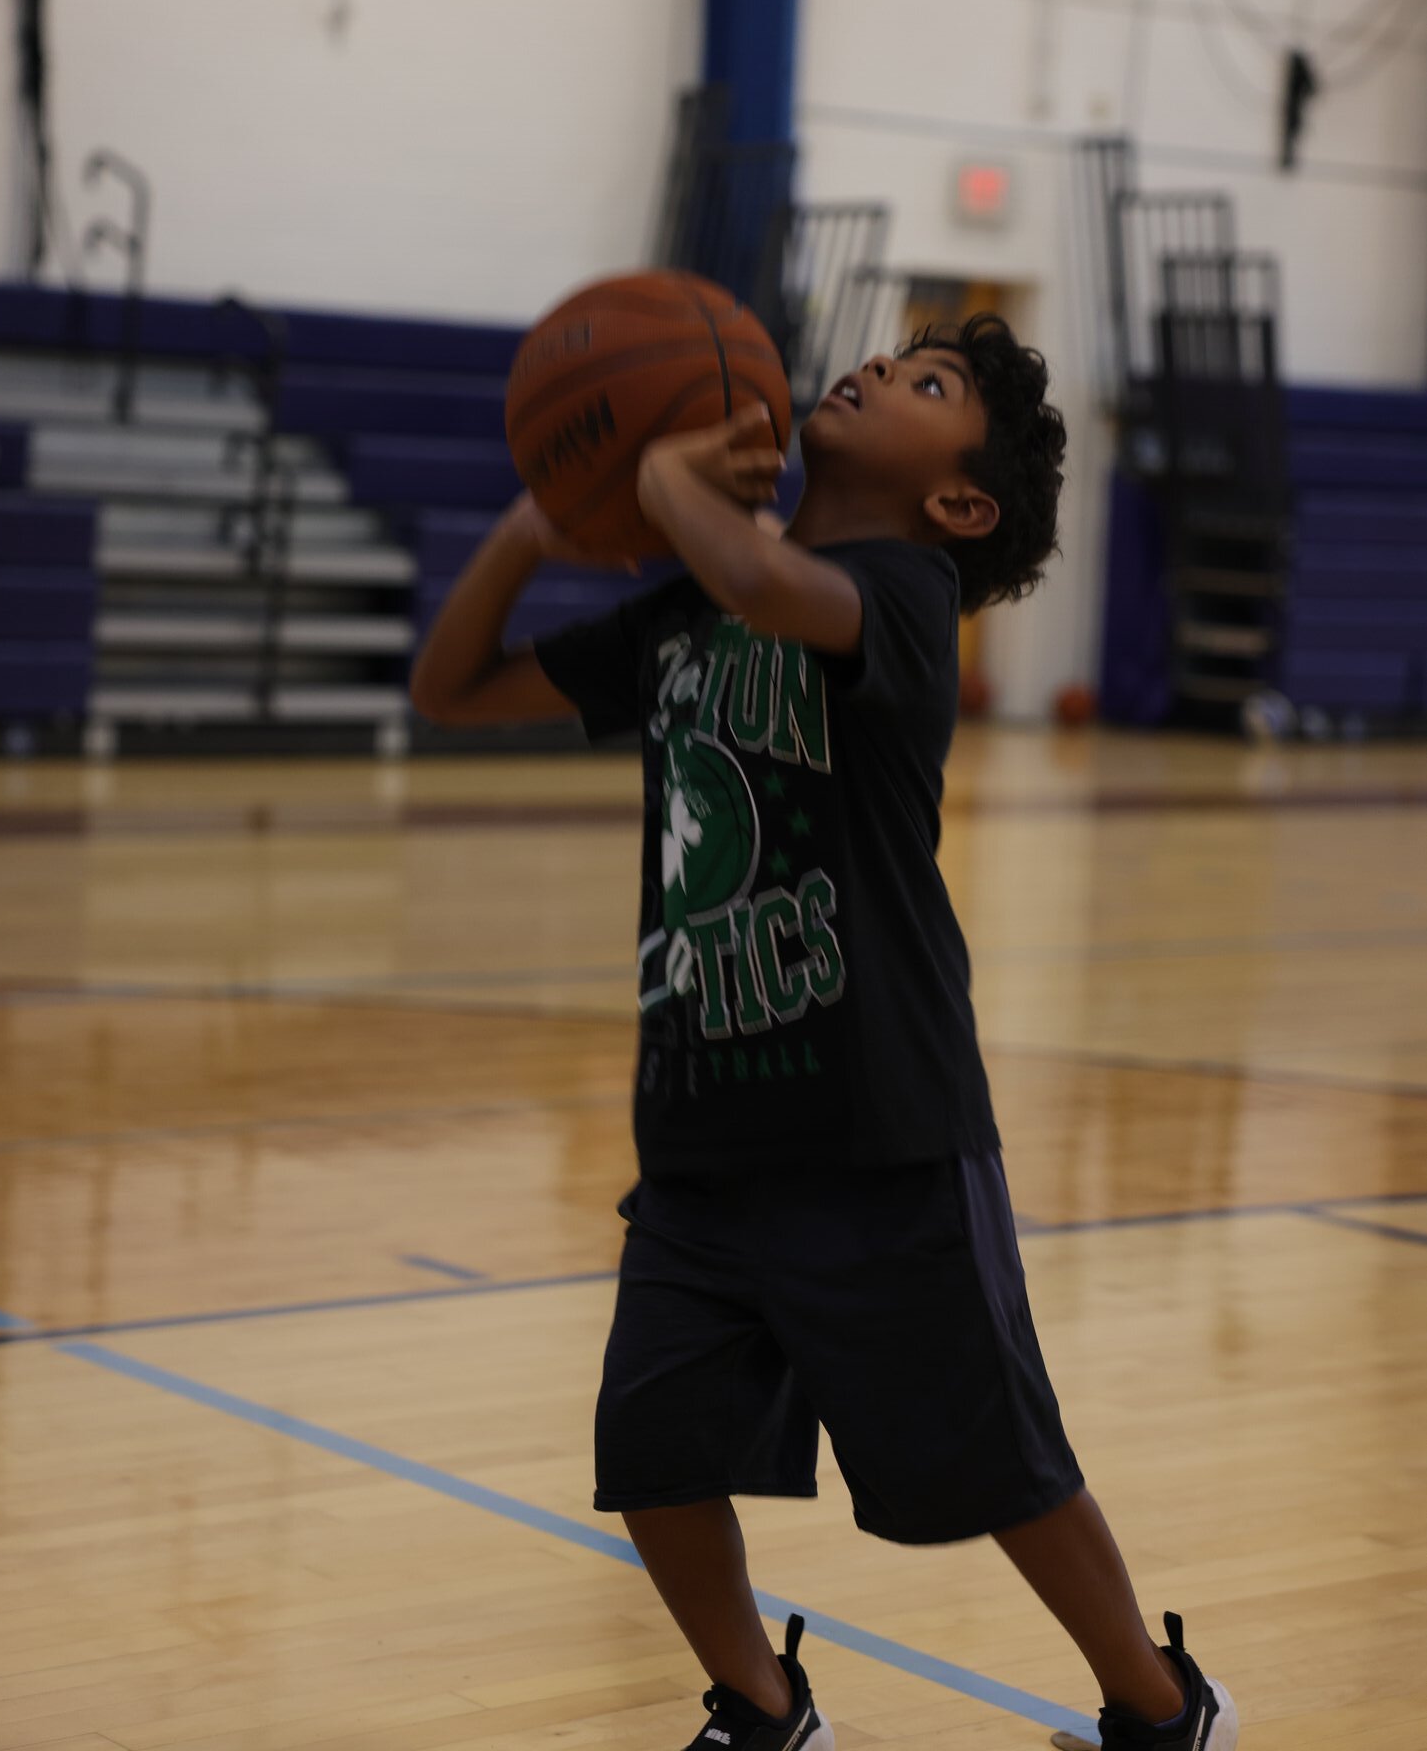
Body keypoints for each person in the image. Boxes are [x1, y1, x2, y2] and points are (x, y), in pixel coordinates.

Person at [410, 315, 1238, 1751]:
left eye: (929, 385)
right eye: (895, 357)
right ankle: (762, 1709)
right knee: (652, 1456)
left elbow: (757, 575)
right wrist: (539, 521)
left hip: (881, 1128)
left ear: (958, 505)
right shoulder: (688, 612)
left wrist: (658, 479)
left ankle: (1162, 1709)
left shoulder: (907, 594)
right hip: (703, 1133)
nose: (877, 371)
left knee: (998, 1468)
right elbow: (452, 688)